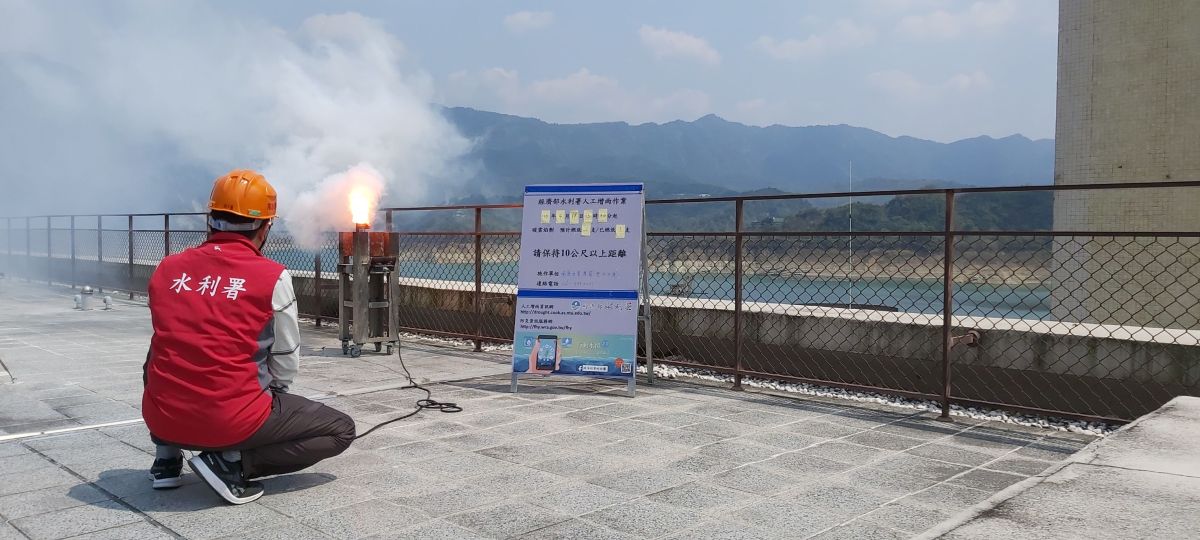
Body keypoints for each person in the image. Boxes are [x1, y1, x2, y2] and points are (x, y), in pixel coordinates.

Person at [142, 169, 355, 505]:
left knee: (162, 351)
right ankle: (230, 464)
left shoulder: (167, 267)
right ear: (266, 226)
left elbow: (165, 341)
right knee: (340, 429)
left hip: (162, 415)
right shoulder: (271, 277)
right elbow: (285, 356)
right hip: (230, 421)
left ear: (211, 219)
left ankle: (166, 459)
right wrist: (275, 393)